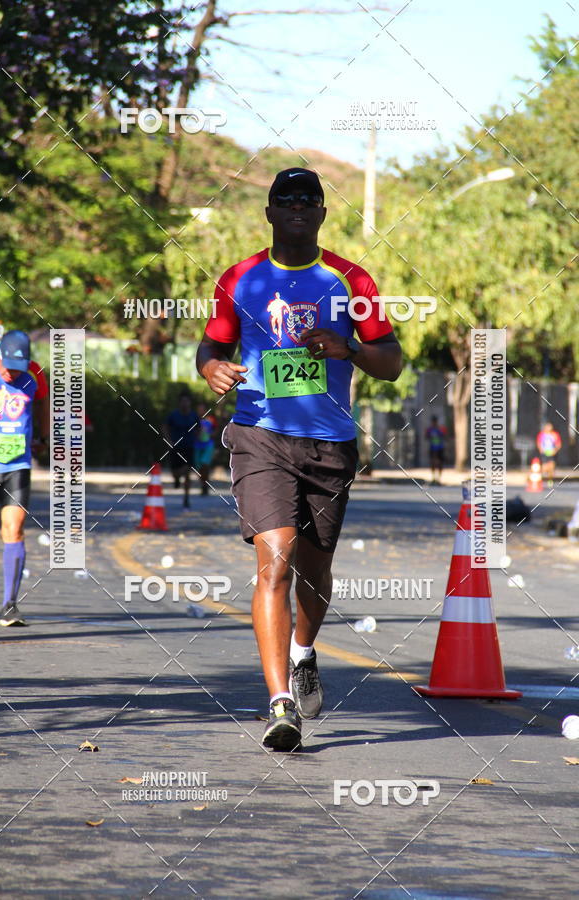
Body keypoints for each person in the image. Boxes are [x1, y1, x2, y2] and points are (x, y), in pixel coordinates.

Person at [196, 167, 402, 751]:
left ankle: (304, 653)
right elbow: (213, 343)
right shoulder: (239, 278)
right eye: (284, 199)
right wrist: (210, 366)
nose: (296, 207)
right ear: (268, 212)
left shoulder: (351, 281)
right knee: (275, 562)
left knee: (313, 569)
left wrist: (350, 349)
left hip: (329, 443)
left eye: (307, 199)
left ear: (321, 213)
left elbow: (392, 361)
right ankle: (280, 702)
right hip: (260, 434)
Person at [0, 328, 49, 625]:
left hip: (17, 466)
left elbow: (44, 402)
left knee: (14, 528)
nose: (12, 374)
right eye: (8, 367)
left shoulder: (33, 375)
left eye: (18, 368)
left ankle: (10, 604)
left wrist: (43, 438)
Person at [163, 390, 198, 508]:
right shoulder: (173, 415)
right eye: (182, 401)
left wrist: (196, 439)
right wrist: (168, 440)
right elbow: (165, 427)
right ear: (179, 403)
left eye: (187, 401)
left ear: (190, 402)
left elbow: (199, 428)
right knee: (175, 471)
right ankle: (177, 478)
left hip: (189, 447)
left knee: (188, 472)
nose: (185, 403)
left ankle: (186, 497)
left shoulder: (194, 415)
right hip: (176, 447)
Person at [194, 402, 217, 495]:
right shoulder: (194, 420)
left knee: (205, 464)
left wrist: (212, 434)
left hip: (208, 445)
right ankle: (203, 483)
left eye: (202, 409)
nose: (201, 411)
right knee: (198, 467)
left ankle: (205, 485)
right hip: (197, 445)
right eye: (199, 409)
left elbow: (216, 430)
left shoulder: (211, 420)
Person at [536, 422, 561, 487]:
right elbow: (539, 443)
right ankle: (541, 479)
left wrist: (555, 450)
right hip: (544, 452)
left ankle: (550, 480)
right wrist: (541, 449)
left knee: (551, 466)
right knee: (544, 467)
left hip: (552, 452)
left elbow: (558, 444)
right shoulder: (542, 434)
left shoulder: (554, 434)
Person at [425, 415, 447, 484]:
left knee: (440, 463)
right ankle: (433, 477)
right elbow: (426, 437)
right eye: (433, 422)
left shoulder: (440, 429)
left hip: (440, 448)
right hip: (432, 448)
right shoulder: (430, 429)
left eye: (435, 422)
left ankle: (439, 478)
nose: (434, 423)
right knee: (432, 463)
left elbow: (445, 436)